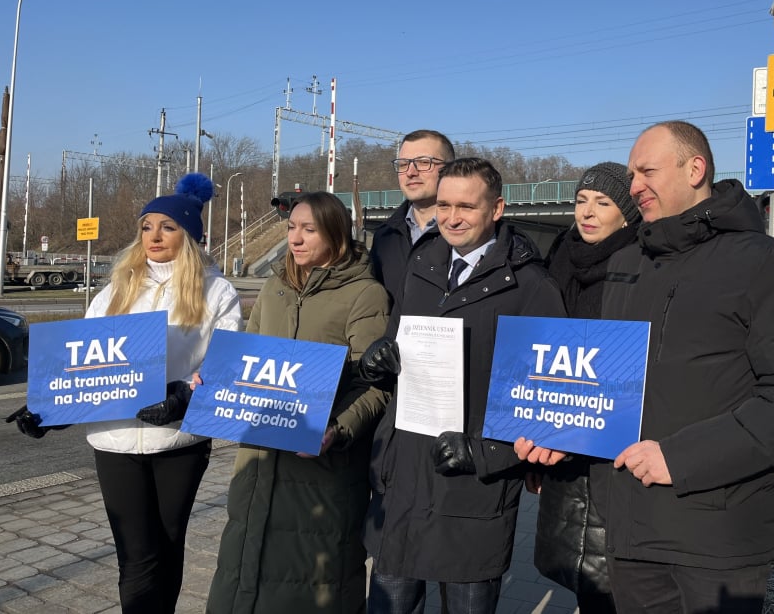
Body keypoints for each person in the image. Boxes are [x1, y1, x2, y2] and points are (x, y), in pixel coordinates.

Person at [520, 122, 774, 614]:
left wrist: (680, 458)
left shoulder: (767, 264)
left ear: (695, 168)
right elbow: (607, 386)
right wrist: (560, 431)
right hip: (629, 532)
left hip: (716, 540)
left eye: (646, 172)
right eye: (631, 173)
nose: (634, 185)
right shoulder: (629, 264)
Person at [12, 173, 244, 614]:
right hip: (115, 439)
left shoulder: (217, 291)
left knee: (167, 545)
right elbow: (81, 366)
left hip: (177, 440)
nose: (154, 236)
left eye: (168, 227)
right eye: (146, 226)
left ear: (189, 234)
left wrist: (185, 397)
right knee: (135, 555)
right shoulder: (114, 290)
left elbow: (223, 364)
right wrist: (48, 408)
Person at [360, 157, 567, 614]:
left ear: (496, 209)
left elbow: (550, 403)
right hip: (407, 475)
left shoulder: (531, 286)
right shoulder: (422, 266)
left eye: (466, 207)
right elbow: (397, 340)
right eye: (443, 204)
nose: (451, 217)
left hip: (472, 484)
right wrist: (379, 359)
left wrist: (486, 452)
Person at [207, 191, 390, 613]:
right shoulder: (274, 287)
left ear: (336, 233)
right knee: (241, 573)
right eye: (292, 227)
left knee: (310, 586)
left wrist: (337, 429)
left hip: (320, 467)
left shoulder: (365, 295)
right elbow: (246, 356)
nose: (296, 237)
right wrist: (214, 379)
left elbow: (375, 384)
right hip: (258, 459)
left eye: (309, 229)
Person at [530, 161, 641, 613]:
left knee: (616, 579)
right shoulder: (557, 259)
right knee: (579, 574)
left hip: (614, 450)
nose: (588, 212)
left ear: (627, 214)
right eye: (581, 201)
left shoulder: (642, 264)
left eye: (603, 202)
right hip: (560, 441)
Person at [370, 129, 455, 307]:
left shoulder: (469, 235)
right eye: (403, 164)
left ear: (449, 170)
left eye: (424, 162)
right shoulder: (385, 238)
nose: (410, 172)